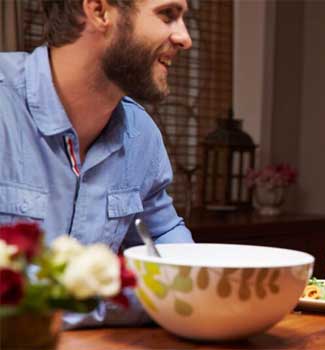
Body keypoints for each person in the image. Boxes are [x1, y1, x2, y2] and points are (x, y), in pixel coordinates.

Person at [0, 0, 194, 328]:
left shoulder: (141, 135)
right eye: (167, 15)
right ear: (100, 11)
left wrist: (200, 288)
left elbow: (165, 241)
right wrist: (141, 301)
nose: (184, 38)